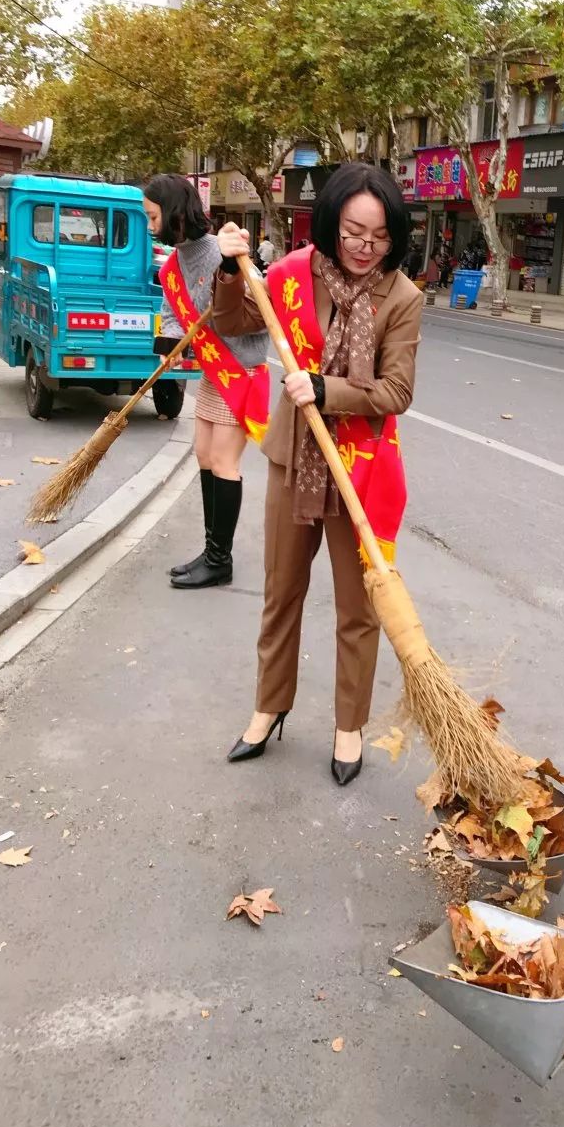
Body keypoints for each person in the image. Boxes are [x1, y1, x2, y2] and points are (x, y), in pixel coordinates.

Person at [213, 163, 423, 785]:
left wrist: (327, 390)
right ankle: (269, 706)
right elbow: (234, 322)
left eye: (379, 237)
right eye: (354, 232)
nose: (364, 247)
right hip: (293, 458)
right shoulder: (291, 274)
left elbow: (396, 391)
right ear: (332, 224)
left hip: (360, 468)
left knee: (357, 608)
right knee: (282, 592)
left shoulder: (402, 298)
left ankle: (348, 725)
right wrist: (230, 269)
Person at [144, 174, 269, 590]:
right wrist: (168, 350)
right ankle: (211, 548)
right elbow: (172, 307)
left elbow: (258, 312)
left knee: (223, 461)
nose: (149, 225)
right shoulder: (176, 260)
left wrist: (230, 274)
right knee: (202, 455)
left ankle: (220, 560)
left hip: (242, 373)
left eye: (153, 216)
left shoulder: (223, 251)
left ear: (174, 214)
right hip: (215, 374)